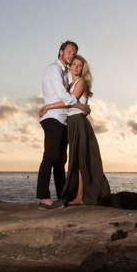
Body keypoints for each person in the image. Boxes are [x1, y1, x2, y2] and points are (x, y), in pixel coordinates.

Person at [39, 55, 110, 206]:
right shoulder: (70, 84)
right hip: (71, 123)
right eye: (75, 64)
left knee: (81, 160)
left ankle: (80, 197)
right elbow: (67, 100)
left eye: (80, 65)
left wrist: (47, 106)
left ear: (83, 69)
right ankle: (76, 195)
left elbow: (68, 102)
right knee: (75, 161)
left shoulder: (81, 82)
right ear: (70, 66)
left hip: (78, 122)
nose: (76, 67)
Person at [36, 41, 89, 209]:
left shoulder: (64, 73)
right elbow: (62, 95)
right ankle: (44, 198)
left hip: (62, 119)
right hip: (53, 118)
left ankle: (62, 197)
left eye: (73, 53)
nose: (71, 55)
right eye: (68, 52)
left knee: (60, 161)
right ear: (60, 52)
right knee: (50, 157)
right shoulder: (53, 69)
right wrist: (80, 105)